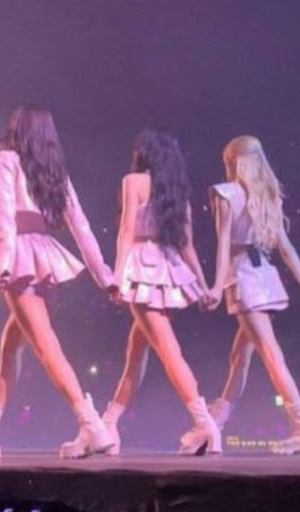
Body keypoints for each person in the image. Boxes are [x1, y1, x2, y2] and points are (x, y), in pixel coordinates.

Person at [0, 106, 115, 459]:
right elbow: (82, 228)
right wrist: (105, 276)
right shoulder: (54, 173)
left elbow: (5, 218)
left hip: (21, 257)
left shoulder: (5, 159)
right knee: (11, 344)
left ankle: (91, 424)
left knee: (45, 344)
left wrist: (1, 265)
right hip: (43, 257)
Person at [181, 135, 300, 454]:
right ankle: (212, 427)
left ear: (232, 162)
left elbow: (223, 247)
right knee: (239, 359)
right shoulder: (267, 196)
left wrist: (216, 287)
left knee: (271, 355)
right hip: (265, 280)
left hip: (245, 282)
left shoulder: (226, 194)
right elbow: (286, 249)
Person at [112, 128, 221, 455]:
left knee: (167, 350)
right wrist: (203, 286)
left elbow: (127, 230)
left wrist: (116, 276)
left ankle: (206, 424)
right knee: (135, 354)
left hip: (142, 267)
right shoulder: (176, 193)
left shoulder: (133, 181)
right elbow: (187, 246)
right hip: (166, 267)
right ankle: (108, 424)